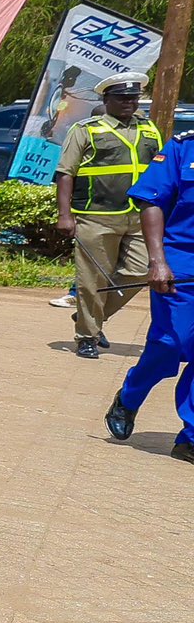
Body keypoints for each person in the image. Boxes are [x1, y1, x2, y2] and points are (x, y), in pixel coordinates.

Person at [56, 70, 161, 359]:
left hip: (139, 216)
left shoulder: (150, 129)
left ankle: (92, 317)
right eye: (122, 97)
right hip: (95, 215)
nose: (129, 102)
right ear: (107, 99)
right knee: (92, 280)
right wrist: (65, 215)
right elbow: (65, 173)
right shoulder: (86, 129)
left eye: (133, 97)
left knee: (140, 272)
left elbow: (160, 175)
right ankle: (87, 336)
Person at [105, 128, 194, 464]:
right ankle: (130, 396)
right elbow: (152, 200)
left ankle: (191, 437)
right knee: (170, 343)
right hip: (181, 261)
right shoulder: (184, 148)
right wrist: (157, 262)